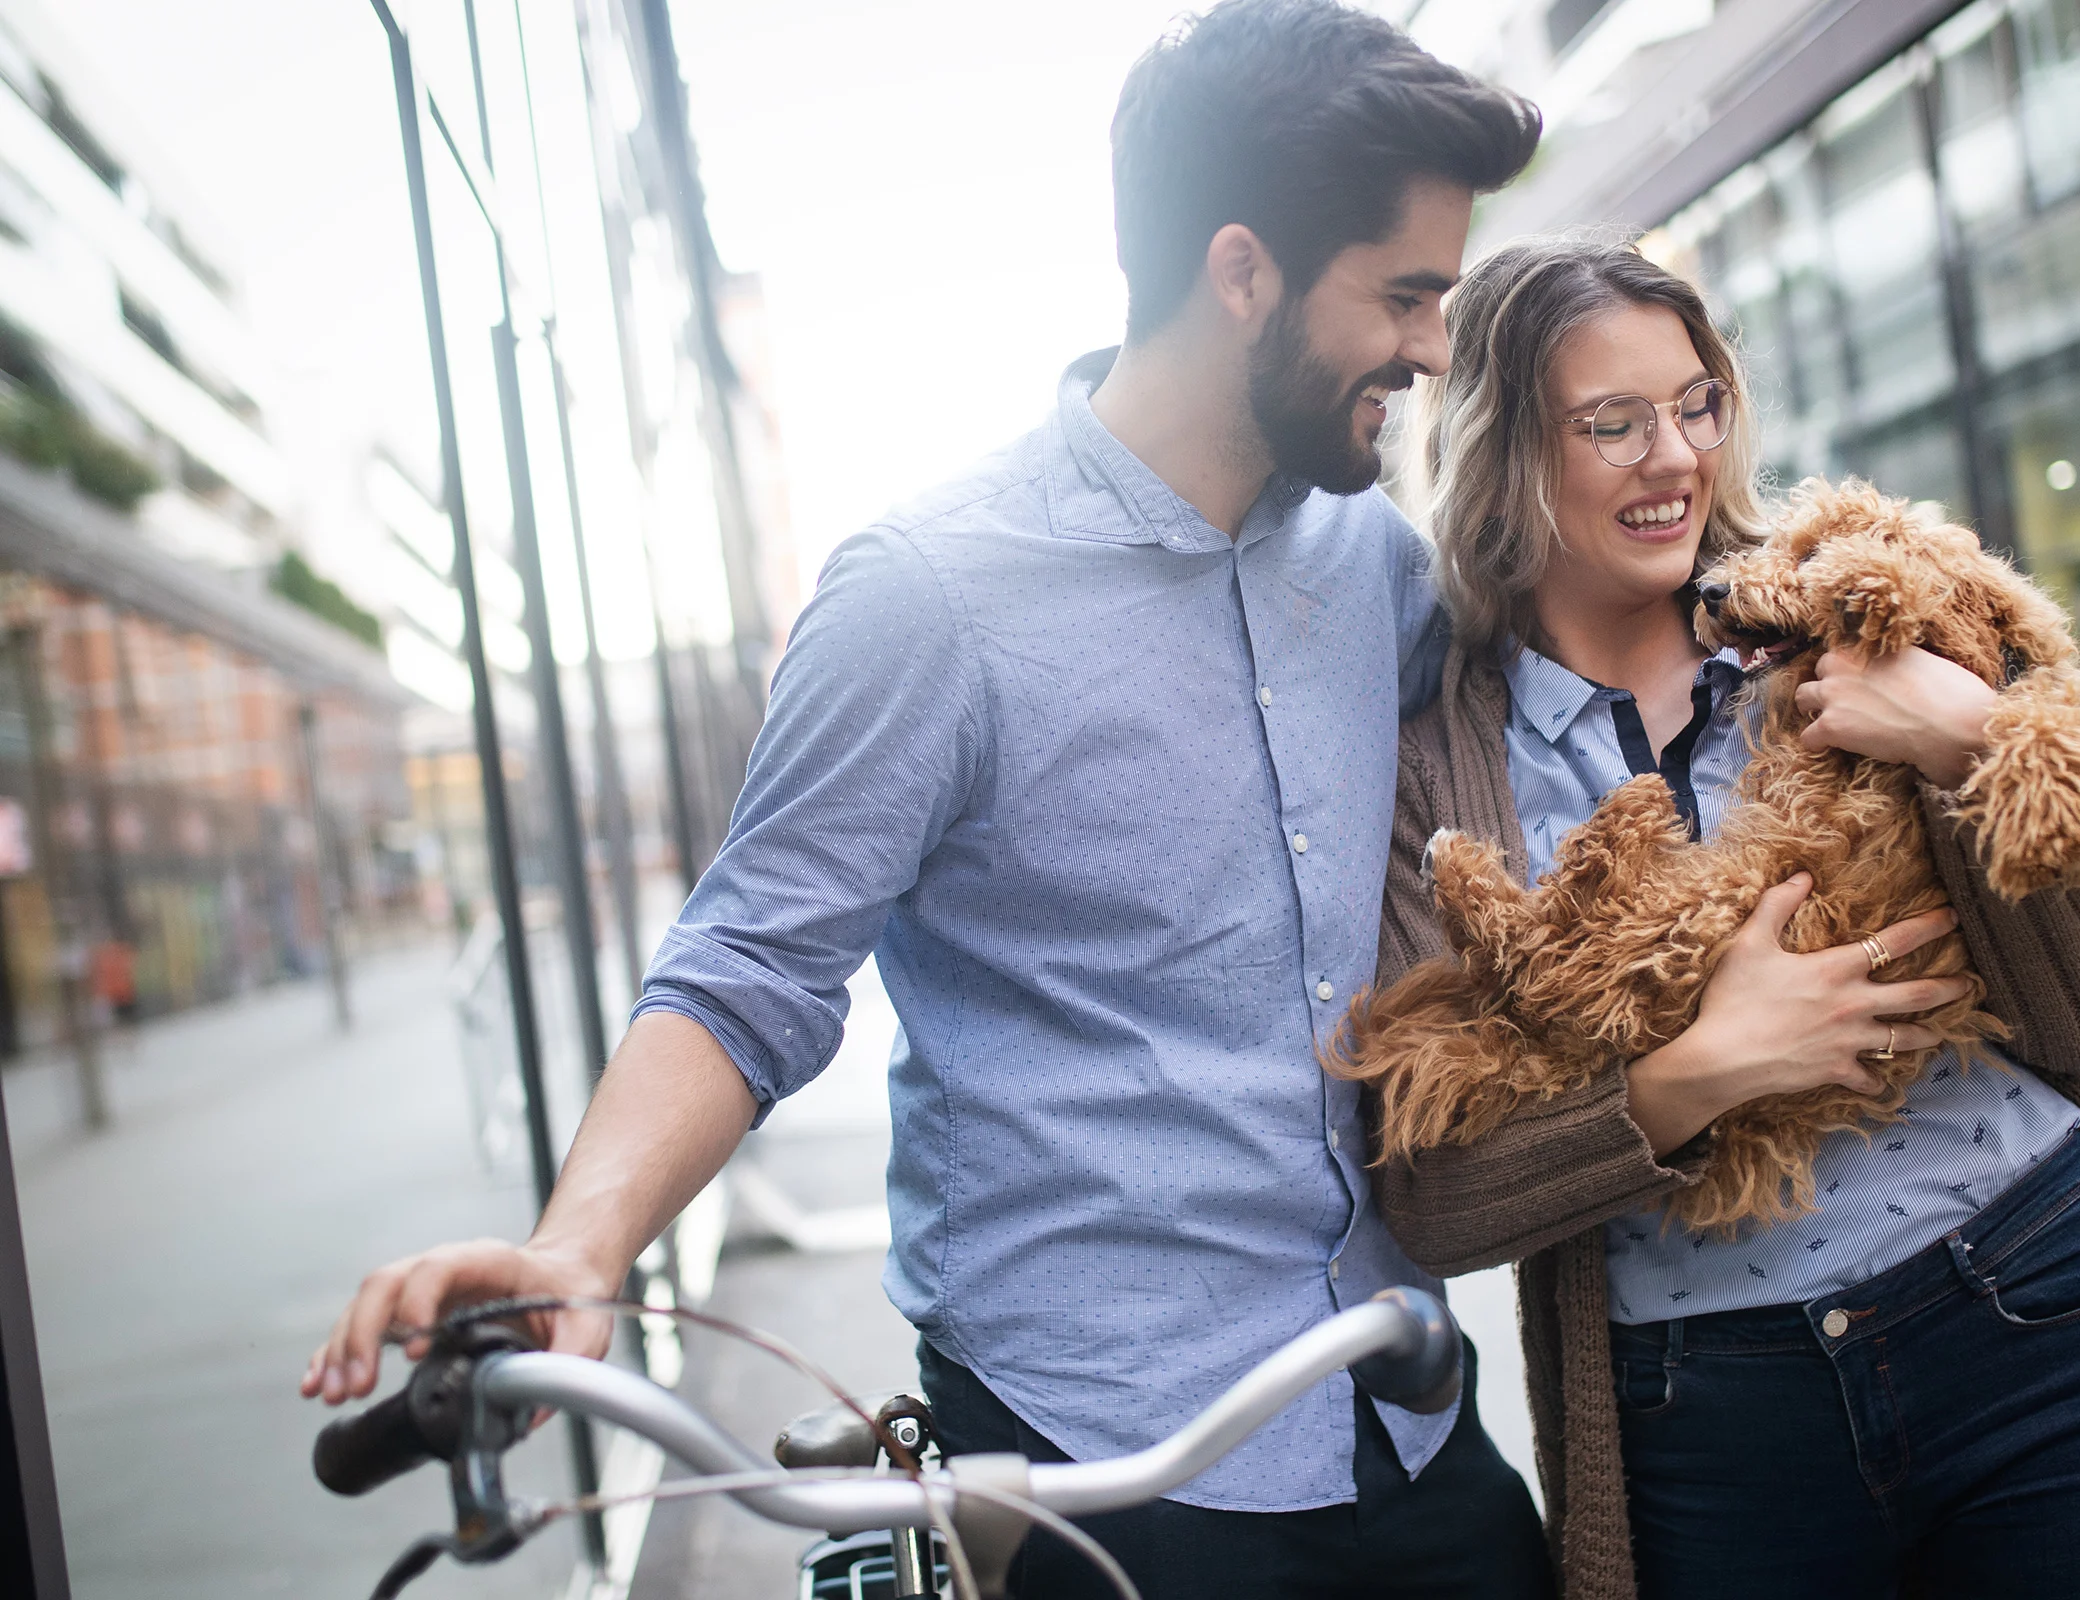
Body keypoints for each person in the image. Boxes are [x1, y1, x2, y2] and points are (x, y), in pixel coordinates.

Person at [309, 5, 1582, 1594]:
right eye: (1403, 294)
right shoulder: (929, 598)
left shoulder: (1376, 562)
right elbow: (750, 966)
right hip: (1099, 1466)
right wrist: (581, 1244)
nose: (1435, 347)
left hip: (1403, 1410)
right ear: (1242, 271)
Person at [1362, 232, 2080, 1600]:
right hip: (1714, 1415)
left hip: (2035, 1302)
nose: (1674, 457)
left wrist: (1968, 740)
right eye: (1612, 422)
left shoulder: (1853, 612)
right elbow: (1437, 1197)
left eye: (1696, 403)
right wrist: (1699, 1072)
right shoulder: (1437, 770)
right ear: (1501, 452)